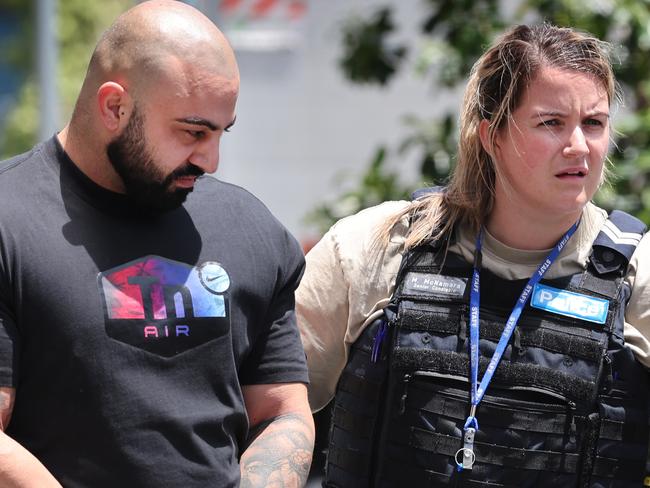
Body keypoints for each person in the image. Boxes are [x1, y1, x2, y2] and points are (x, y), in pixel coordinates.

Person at [297, 23, 650, 487]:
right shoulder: (379, 245)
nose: (579, 147)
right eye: (551, 123)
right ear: (492, 136)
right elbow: (272, 405)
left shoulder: (637, 274)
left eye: (594, 123)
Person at [0, 1, 314, 487]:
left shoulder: (250, 228)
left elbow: (280, 410)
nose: (210, 160)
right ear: (114, 107)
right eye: (194, 132)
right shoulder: (9, 219)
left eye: (221, 132)